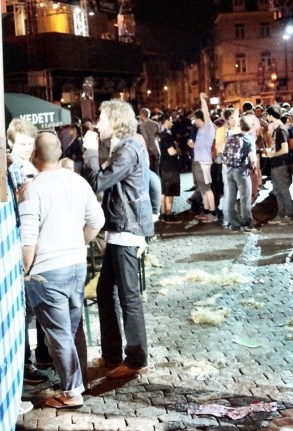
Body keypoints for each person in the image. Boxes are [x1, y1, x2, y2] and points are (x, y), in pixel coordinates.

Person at [20, 133, 105, 409]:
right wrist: (80, 242)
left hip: (47, 271)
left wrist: (25, 270)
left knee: (59, 335)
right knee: (69, 330)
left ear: (35, 154)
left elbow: (28, 240)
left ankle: (71, 392)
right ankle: (77, 384)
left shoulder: (32, 189)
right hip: (76, 266)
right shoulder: (77, 181)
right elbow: (97, 220)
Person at [82, 100, 155, 380]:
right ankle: (112, 355)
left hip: (126, 230)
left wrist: (90, 151)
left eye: (102, 118)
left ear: (115, 121)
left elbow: (97, 182)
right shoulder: (125, 147)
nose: (97, 123)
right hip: (119, 229)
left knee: (128, 297)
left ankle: (136, 359)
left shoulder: (127, 149)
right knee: (105, 292)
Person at [6, 118, 52, 385]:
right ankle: (25, 363)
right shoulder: (14, 168)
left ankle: (42, 355)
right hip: (23, 242)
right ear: (10, 143)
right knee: (25, 308)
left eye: (29, 144)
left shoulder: (30, 166)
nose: (26, 148)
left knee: (36, 302)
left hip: (34, 241)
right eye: (21, 143)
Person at [220, 115, 257, 232]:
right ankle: (247, 224)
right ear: (250, 127)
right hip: (241, 171)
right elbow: (252, 158)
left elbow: (224, 153)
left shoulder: (231, 137)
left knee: (231, 198)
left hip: (229, 170)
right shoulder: (249, 139)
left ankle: (234, 224)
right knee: (245, 198)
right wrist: (254, 167)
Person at [188, 93, 217, 221]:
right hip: (198, 161)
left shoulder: (208, 127)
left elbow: (205, 111)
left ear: (200, 118)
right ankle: (206, 211)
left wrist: (201, 98)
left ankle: (213, 213)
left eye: (195, 119)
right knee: (202, 189)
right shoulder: (200, 130)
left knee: (206, 188)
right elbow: (201, 146)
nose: (194, 121)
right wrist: (193, 145)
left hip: (204, 162)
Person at [264, 105, 293, 224]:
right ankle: (281, 214)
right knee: (277, 190)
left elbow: (285, 149)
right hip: (276, 164)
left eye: (267, 115)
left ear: (271, 115)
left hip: (280, 164)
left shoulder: (281, 130)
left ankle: (288, 215)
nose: (266, 117)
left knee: (283, 190)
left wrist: (273, 154)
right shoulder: (278, 129)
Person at [158, 114, 182, 220]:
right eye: (171, 120)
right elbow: (171, 152)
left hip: (162, 165)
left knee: (164, 191)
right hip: (170, 166)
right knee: (170, 191)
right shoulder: (167, 136)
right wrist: (178, 150)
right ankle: (168, 214)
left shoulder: (159, 135)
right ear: (166, 121)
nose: (172, 123)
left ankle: (163, 213)